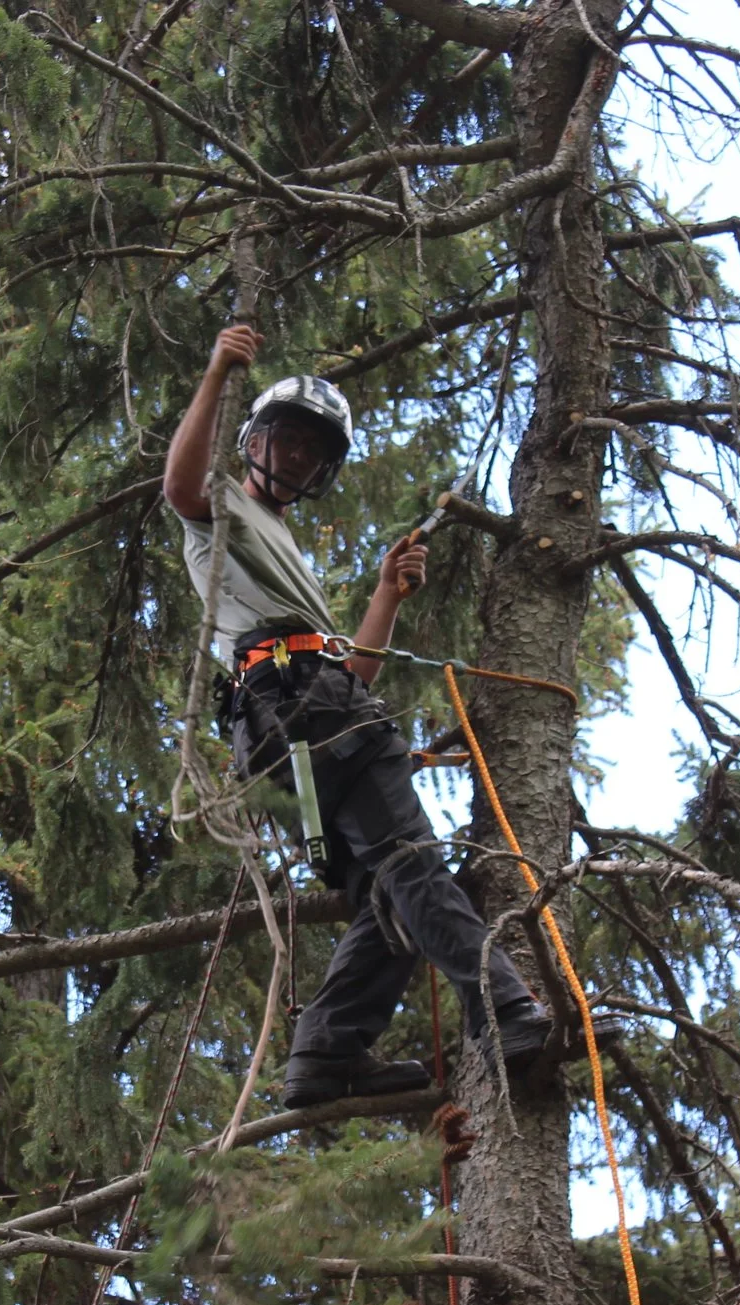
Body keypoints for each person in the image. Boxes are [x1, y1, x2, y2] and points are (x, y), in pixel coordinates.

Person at [163, 323, 568, 1108]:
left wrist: (385, 593)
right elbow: (179, 485)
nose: (297, 458)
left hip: (299, 721)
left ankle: (325, 1054)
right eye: (287, 439)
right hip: (302, 715)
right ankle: (508, 1011)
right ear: (255, 437)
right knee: (414, 864)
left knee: (390, 894)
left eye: (314, 454)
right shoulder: (219, 509)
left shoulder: (284, 553)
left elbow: (355, 670)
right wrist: (217, 369)